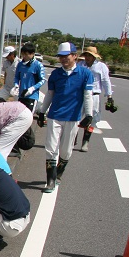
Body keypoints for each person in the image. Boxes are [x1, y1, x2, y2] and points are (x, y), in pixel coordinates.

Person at [36, 42, 93, 193]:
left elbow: (88, 96)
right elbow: (50, 94)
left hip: (73, 117)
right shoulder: (55, 74)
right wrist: (42, 111)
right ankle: (50, 180)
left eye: (66, 56)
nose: (63, 59)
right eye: (60, 57)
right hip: (55, 115)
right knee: (50, 148)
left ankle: (58, 174)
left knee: (66, 151)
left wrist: (89, 114)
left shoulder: (85, 74)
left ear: (75, 56)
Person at [77, 46, 112, 152]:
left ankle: (85, 142)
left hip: (94, 95)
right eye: (86, 55)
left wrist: (109, 96)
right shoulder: (80, 65)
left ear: (94, 57)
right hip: (80, 95)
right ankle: (72, 139)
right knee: (76, 118)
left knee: (91, 120)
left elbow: (106, 81)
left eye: (90, 55)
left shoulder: (101, 66)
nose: (87, 57)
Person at [13, 42, 45, 113]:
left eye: (26, 54)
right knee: (19, 116)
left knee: (28, 117)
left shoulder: (38, 65)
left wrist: (32, 88)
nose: (24, 56)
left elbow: (42, 80)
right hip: (21, 95)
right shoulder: (20, 64)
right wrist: (16, 85)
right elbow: (16, 77)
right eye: (23, 54)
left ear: (32, 53)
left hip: (32, 96)